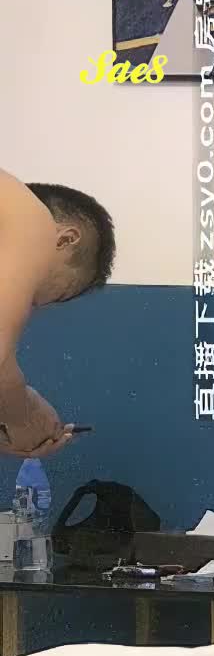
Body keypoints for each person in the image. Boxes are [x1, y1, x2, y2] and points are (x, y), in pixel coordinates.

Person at [0, 169, 115, 459]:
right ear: (65, 240)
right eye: (58, 294)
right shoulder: (31, 218)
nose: (32, 306)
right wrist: (24, 412)